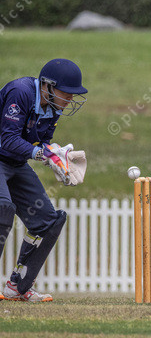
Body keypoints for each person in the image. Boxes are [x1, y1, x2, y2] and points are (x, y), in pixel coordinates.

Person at [0, 58, 87, 302]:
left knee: (48, 222)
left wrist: (58, 157)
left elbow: (42, 142)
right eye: (66, 92)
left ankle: (18, 286)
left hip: (16, 163)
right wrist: (43, 154)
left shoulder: (53, 107)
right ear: (47, 86)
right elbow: (7, 139)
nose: (70, 99)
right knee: (2, 209)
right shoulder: (21, 92)